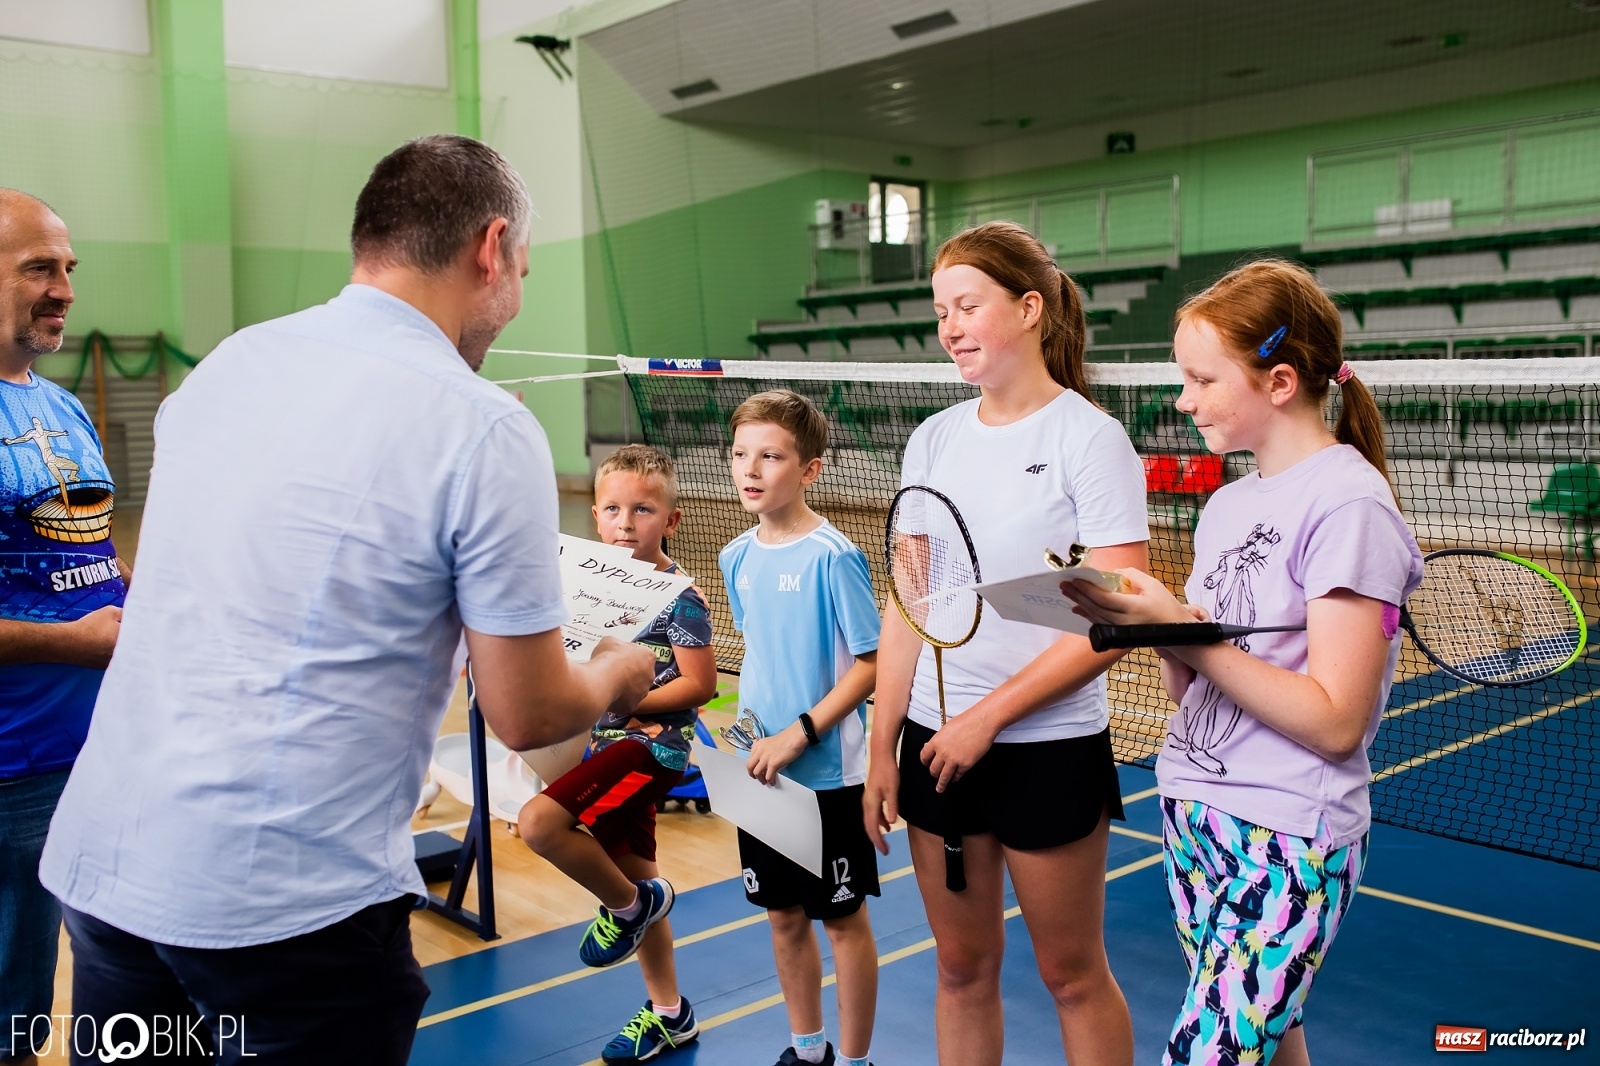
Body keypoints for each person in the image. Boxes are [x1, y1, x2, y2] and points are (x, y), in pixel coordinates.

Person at [38, 136, 655, 1066]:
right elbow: (527, 713)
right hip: (282, 907)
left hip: (109, 869)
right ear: (491, 249)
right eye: (520, 271)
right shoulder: (484, 424)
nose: (514, 297)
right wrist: (616, 668)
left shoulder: (227, 368)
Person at [1062, 259, 1423, 1066]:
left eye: (1200, 378)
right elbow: (1198, 683)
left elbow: (1335, 722)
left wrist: (1185, 635)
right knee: (1275, 1038)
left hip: (1289, 834)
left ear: (1281, 381)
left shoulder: (1349, 506)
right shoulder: (1227, 504)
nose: (1182, 400)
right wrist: (1153, 623)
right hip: (1194, 811)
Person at [863, 221, 1147, 1066]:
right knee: (960, 968)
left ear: (1028, 308)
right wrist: (884, 747)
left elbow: (1120, 616)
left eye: (968, 305)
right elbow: (911, 600)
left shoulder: (1088, 440)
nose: (950, 326)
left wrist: (987, 719)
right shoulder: (934, 440)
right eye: (941, 310)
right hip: (933, 743)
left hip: (1047, 748)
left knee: (1071, 975)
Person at [518, 443, 716, 1065]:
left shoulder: (678, 595)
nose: (626, 523)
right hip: (603, 745)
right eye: (612, 509)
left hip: (650, 751)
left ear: (671, 520)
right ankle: (670, 1014)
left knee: (540, 825)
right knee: (637, 866)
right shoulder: (587, 584)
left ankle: (631, 908)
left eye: (643, 509)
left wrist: (634, 699)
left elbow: (701, 684)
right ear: (594, 517)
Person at [0, 189, 125, 1066]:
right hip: (11, 767)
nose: (65, 289)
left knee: (79, 994)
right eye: (39, 267)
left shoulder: (61, 404)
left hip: (99, 747)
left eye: (68, 268)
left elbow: (87, 560)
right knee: (8, 1008)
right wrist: (78, 644)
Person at [719, 389, 880, 1066]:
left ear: (809, 470)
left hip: (828, 776)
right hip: (760, 773)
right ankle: (807, 1050)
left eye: (771, 456)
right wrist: (747, 738)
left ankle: (855, 1060)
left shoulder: (833, 556)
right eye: (740, 454)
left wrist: (801, 733)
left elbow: (872, 666)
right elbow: (762, 654)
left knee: (841, 923)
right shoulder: (735, 557)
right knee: (782, 918)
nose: (750, 469)